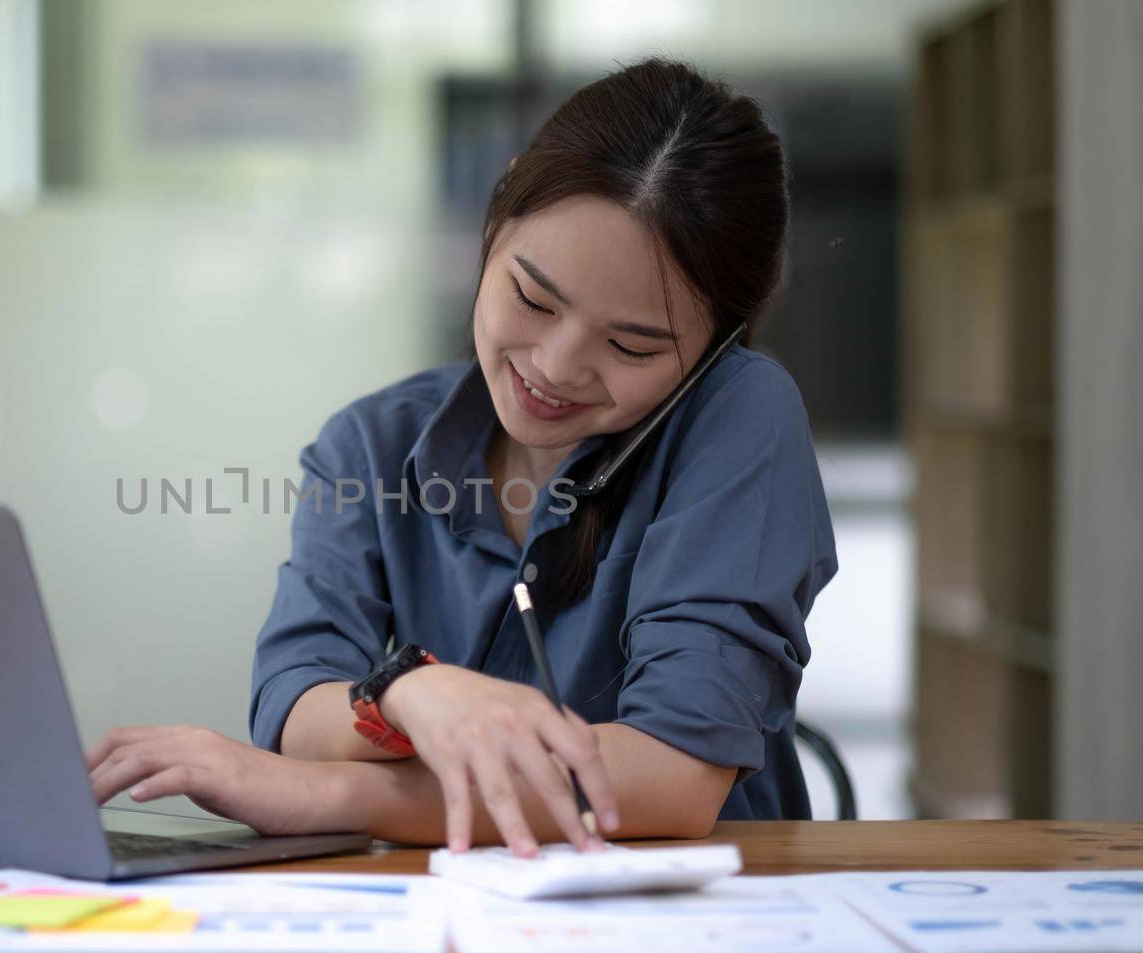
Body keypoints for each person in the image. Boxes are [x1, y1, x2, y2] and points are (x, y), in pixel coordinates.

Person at [85, 58, 837, 856]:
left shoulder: (741, 413)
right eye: (533, 298)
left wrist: (335, 791)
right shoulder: (369, 445)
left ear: (718, 341)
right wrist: (409, 693)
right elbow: (295, 702)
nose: (554, 366)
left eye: (631, 344)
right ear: (495, 213)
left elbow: (672, 778)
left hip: (694, 928)